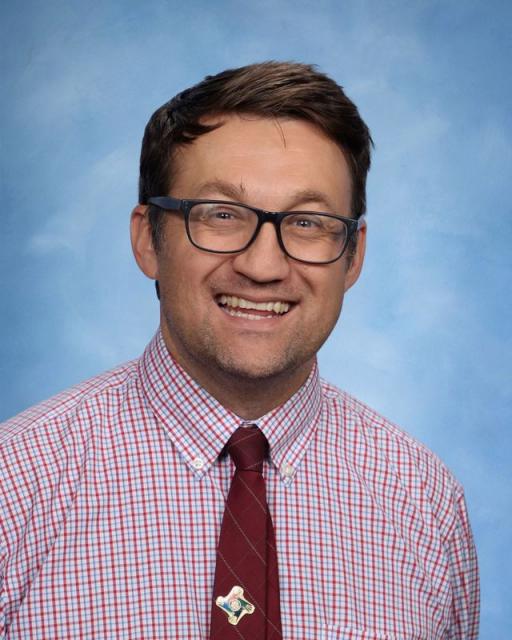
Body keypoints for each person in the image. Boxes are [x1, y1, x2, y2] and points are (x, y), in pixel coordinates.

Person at [0, 62, 479, 639]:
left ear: (353, 257)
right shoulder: (15, 484)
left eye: (308, 222)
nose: (263, 265)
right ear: (147, 238)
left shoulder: (426, 502)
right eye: (222, 215)